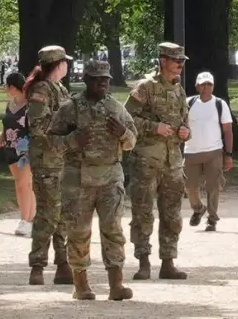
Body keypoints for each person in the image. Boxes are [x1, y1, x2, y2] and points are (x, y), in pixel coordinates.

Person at [50, 60, 138, 301]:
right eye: (97, 78)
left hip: (110, 177)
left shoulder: (117, 108)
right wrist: (72, 140)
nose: (102, 83)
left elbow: (132, 141)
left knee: (113, 230)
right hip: (78, 179)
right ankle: (81, 285)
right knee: (79, 232)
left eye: (106, 79)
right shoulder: (70, 108)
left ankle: (116, 285)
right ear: (86, 79)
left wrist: (123, 133)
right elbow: (51, 142)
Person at [126, 41, 192, 281]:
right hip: (147, 161)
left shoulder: (179, 89)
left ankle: (168, 262)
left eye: (183, 62)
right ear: (163, 61)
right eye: (177, 61)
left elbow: (185, 121)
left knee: (172, 214)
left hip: (173, 162)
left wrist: (186, 131)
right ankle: (143, 262)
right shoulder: (145, 87)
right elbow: (127, 119)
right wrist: (154, 127)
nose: (180, 65)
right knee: (143, 213)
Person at [25, 44, 73, 285]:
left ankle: (63, 264)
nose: (68, 65)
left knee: (63, 214)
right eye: (65, 62)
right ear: (57, 64)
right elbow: (37, 125)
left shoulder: (61, 89)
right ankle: (37, 265)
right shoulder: (42, 90)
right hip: (47, 163)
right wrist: (63, 133)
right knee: (48, 213)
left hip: (62, 161)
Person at [0, 71, 36, 236]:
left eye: (6, 86)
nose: (5, 89)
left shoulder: (31, 105)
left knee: (23, 184)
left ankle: (25, 221)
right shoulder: (10, 105)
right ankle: (31, 220)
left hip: (26, 150)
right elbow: (5, 131)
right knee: (22, 185)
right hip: (10, 149)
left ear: (12, 87)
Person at [184, 71, 233, 232]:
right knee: (189, 186)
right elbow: (181, 124)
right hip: (191, 151)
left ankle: (212, 219)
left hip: (214, 151)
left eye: (209, 84)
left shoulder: (220, 104)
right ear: (197, 86)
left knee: (213, 187)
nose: (206, 87)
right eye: (203, 84)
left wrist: (229, 155)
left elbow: (227, 130)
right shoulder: (188, 103)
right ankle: (198, 208)